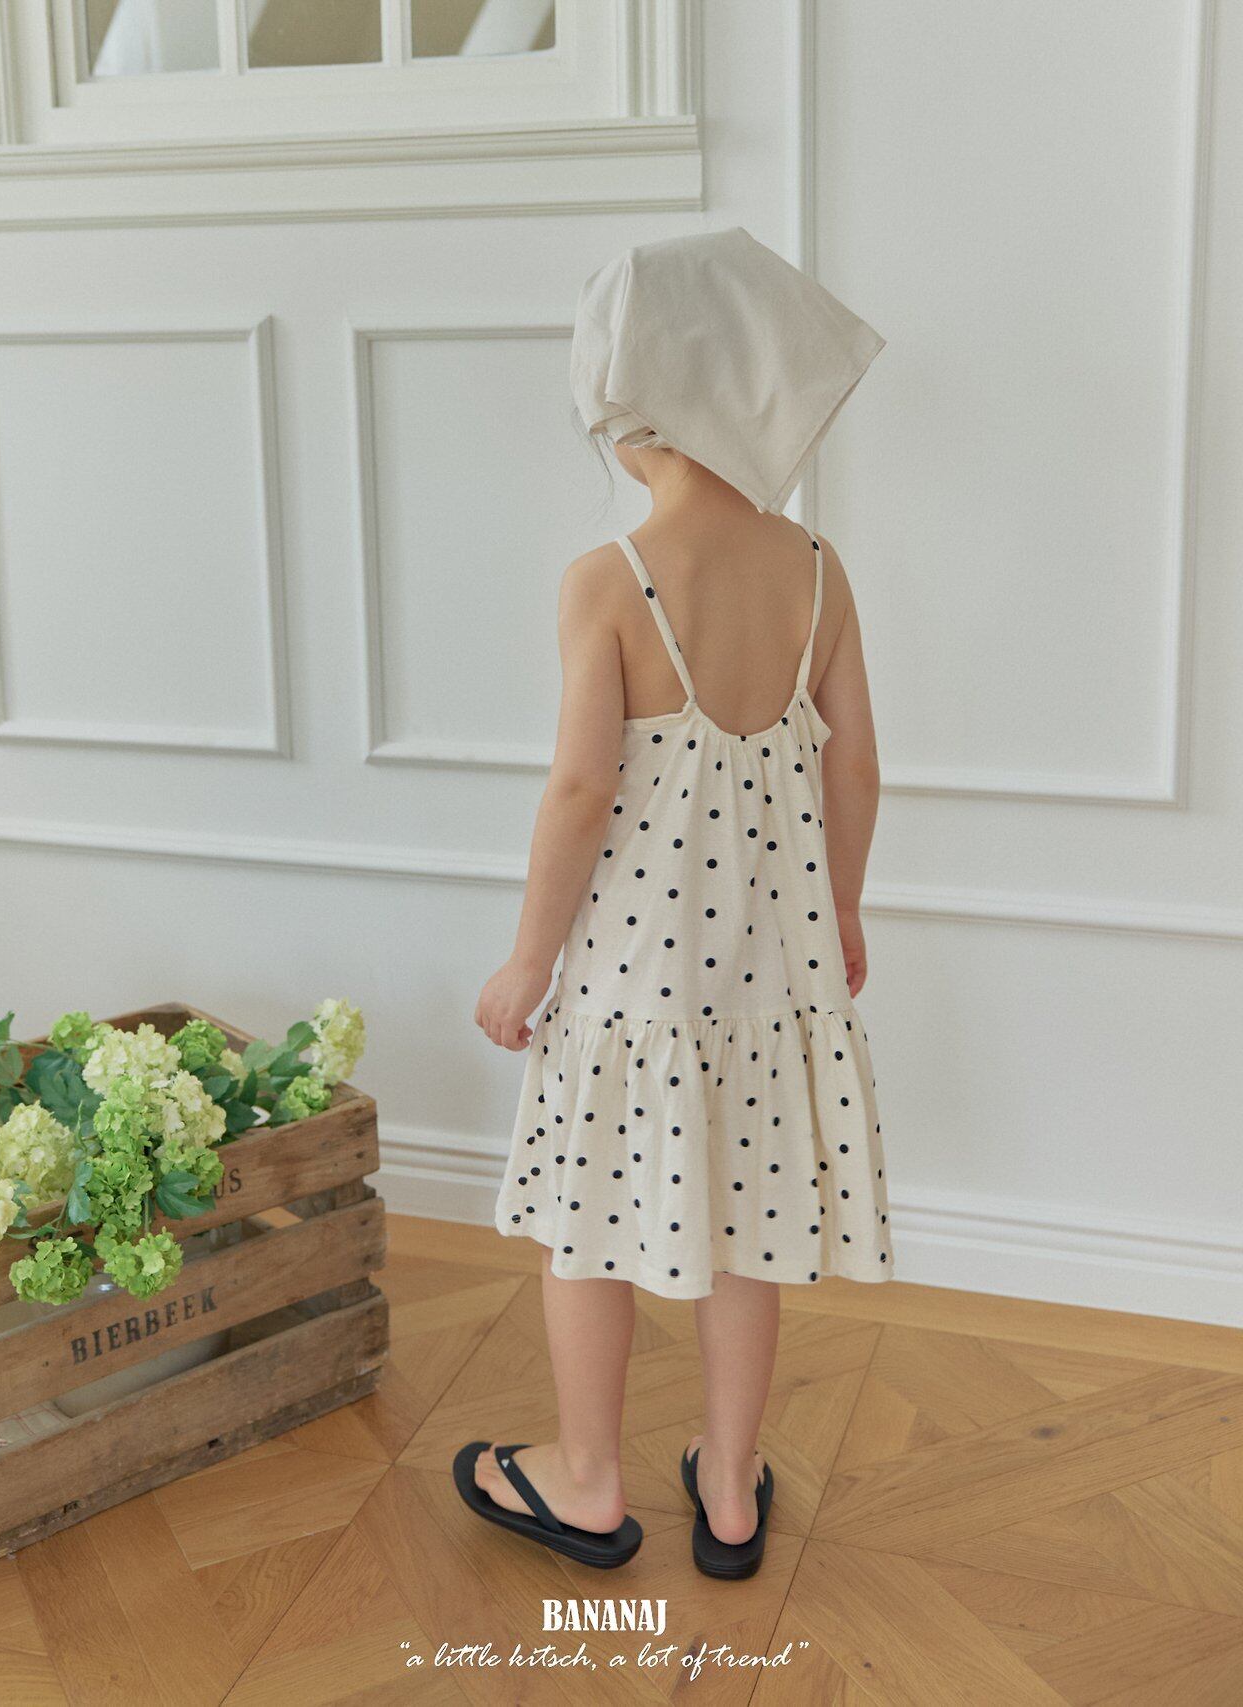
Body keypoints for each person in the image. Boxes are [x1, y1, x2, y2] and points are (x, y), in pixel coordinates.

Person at [453, 228, 895, 1579]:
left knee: (587, 1233)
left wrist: (527, 961)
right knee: (747, 1231)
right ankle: (734, 1487)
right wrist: (844, 912)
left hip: (629, 988)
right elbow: (855, 766)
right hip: (771, 977)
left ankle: (587, 1481)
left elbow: (582, 789)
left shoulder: (610, 582)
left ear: (628, 402)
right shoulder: (816, 569)